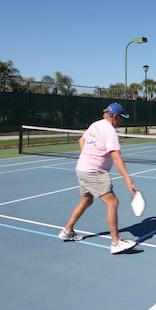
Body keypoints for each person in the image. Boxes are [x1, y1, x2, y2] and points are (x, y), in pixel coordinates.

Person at [59, 103, 137, 254]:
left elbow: (81, 141)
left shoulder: (95, 124)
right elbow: (116, 157)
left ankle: (67, 231)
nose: (121, 121)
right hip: (94, 172)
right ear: (114, 116)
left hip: (82, 168)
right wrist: (127, 178)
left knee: (86, 201)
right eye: (121, 118)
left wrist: (88, 156)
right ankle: (116, 243)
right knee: (113, 202)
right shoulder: (110, 131)